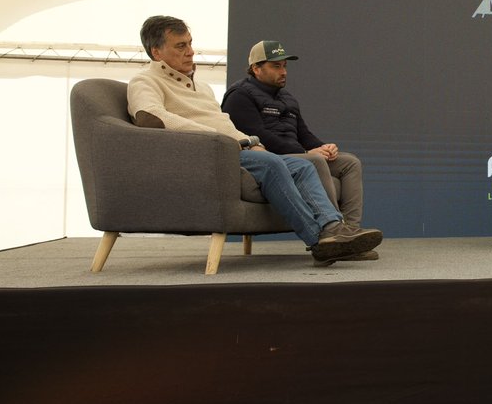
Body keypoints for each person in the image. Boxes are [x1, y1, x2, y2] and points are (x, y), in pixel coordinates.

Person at [126, 16, 383, 265]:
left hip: (234, 148)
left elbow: (229, 126)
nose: (191, 52)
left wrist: (248, 141)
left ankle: (334, 229)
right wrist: (228, 140)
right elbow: (150, 117)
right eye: (181, 46)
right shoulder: (144, 80)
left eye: (190, 43)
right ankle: (320, 243)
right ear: (156, 52)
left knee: (304, 165)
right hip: (210, 155)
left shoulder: (201, 88)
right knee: (275, 164)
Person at [221, 40, 364, 233]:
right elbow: (259, 136)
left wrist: (325, 147)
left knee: (350, 162)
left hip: (298, 153)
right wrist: (305, 152)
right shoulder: (239, 95)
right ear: (256, 68)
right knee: (315, 160)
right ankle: (332, 231)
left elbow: (303, 133)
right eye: (276, 66)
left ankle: (352, 230)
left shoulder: (287, 97)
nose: (283, 72)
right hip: (271, 158)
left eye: (285, 66)